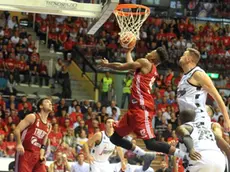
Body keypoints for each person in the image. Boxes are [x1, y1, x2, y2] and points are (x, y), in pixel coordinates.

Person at [100, 47, 185, 171]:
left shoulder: (146, 62)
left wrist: (108, 65)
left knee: (151, 144)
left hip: (142, 108)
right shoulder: (147, 66)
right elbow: (131, 65)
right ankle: (144, 155)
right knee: (115, 138)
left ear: (154, 57)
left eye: (152, 51)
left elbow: (123, 66)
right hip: (134, 109)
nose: (149, 51)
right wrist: (128, 51)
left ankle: (183, 155)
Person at [177, 48, 230, 131]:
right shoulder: (184, 77)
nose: (181, 57)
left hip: (198, 120)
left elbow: (216, 96)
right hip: (187, 121)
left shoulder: (198, 74)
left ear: (189, 59)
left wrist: (227, 119)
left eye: (183, 55)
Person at [14, 98, 52, 172]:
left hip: (37, 156)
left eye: (51, 103)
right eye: (47, 102)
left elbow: (43, 145)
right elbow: (16, 130)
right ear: (41, 106)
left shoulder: (49, 125)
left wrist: (42, 155)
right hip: (25, 153)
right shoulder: (32, 117)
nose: (50, 104)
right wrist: (19, 144)